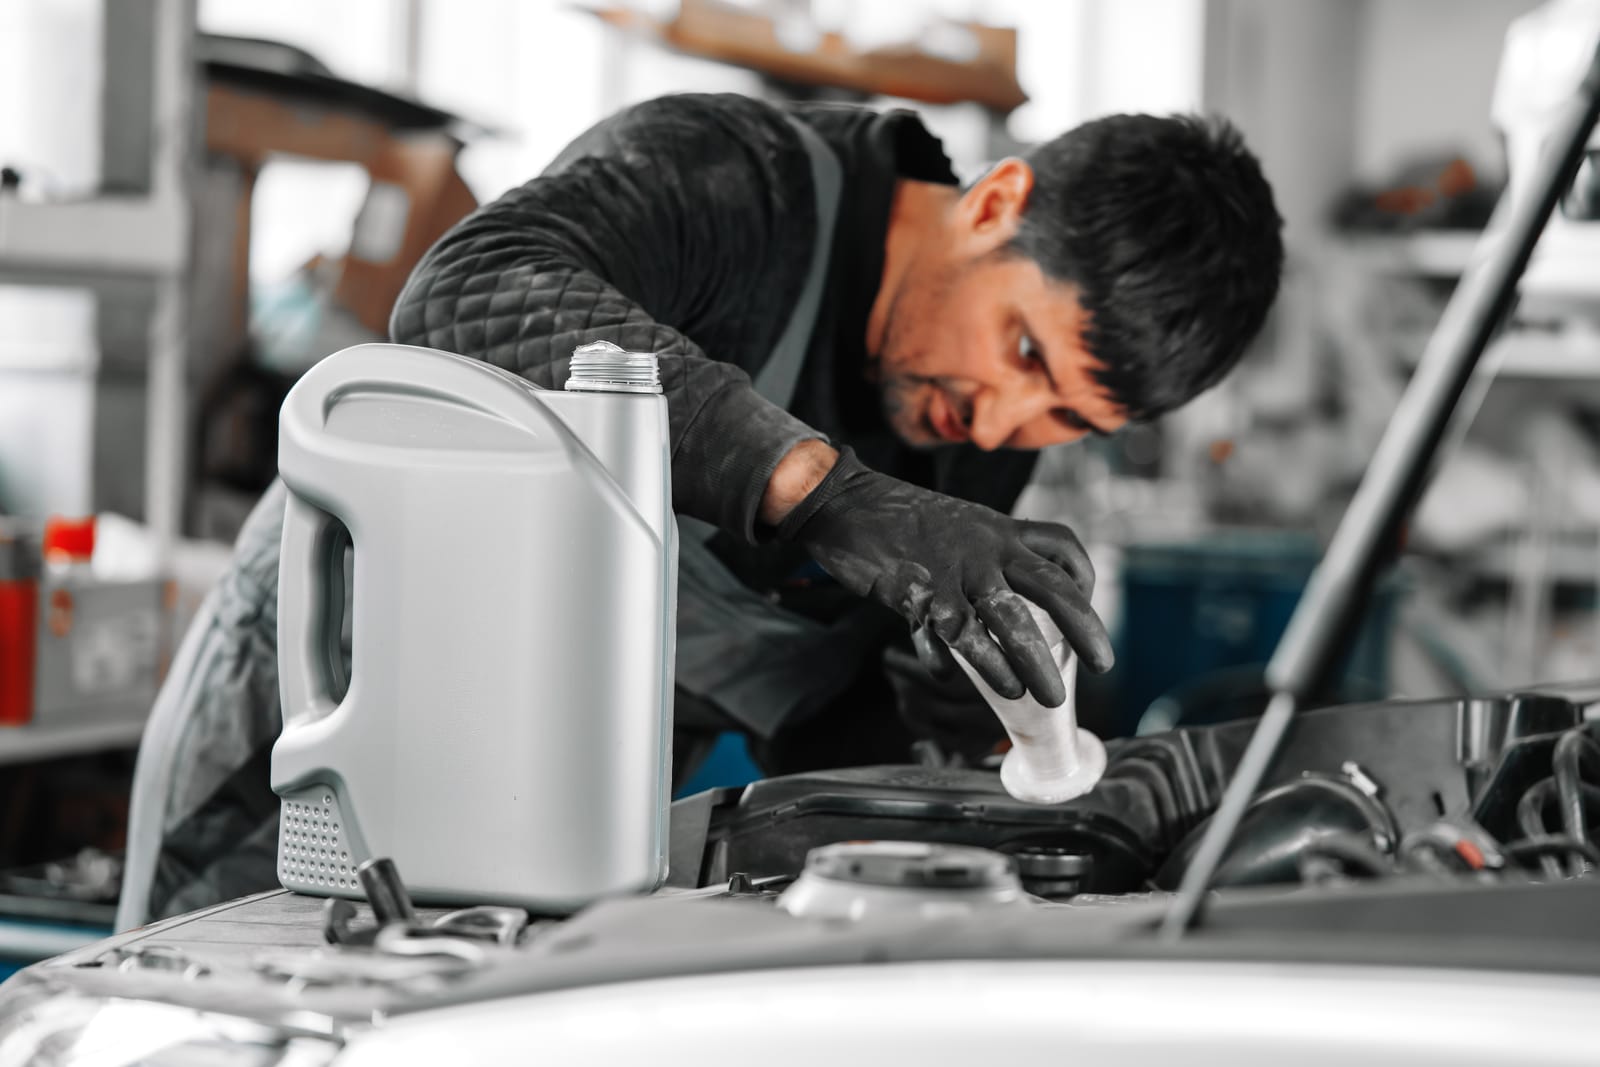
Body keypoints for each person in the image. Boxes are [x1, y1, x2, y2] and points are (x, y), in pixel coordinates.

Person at [119, 92, 1282, 926]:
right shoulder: (739, 181)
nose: (999, 422)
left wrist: (930, 713)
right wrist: (822, 493)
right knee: (198, 1012)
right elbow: (465, 293)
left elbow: (814, 725)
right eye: (1022, 347)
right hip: (334, 700)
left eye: (1062, 417)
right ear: (997, 203)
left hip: (577, 803)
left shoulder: (970, 443)